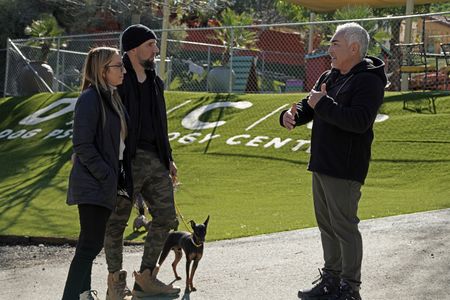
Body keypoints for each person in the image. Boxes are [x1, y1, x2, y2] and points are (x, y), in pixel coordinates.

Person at [280, 23, 387, 300]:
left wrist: (322, 104)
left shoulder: (369, 81)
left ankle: (349, 288)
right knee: (327, 224)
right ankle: (331, 280)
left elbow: (359, 121)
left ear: (354, 48)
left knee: (344, 227)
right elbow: (309, 103)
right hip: (322, 162)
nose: (330, 50)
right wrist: (290, 115)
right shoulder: (331, 74)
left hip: (345, 166)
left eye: (335, 44)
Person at [103, 24, 180, 299]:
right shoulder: (117, 79)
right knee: (116, 222)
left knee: (167, 217)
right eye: (151, 45)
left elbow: (161, 123)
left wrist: (168, 157)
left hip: (156, 160)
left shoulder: (156, 82)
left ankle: (145, 278)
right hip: (126, 163)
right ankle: (115, 283)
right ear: (134, 48)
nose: (156, 50)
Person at [62, 46, 128, 300]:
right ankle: (71, 297)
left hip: (103, 183)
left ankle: (82, 294)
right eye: (117, 66)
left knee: (90, 244)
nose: (122, 70)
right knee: (90, 245)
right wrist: (107, 176)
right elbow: (82, 145)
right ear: (103, 71)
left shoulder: (111, 97)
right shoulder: (90, 99)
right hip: (93, 184)